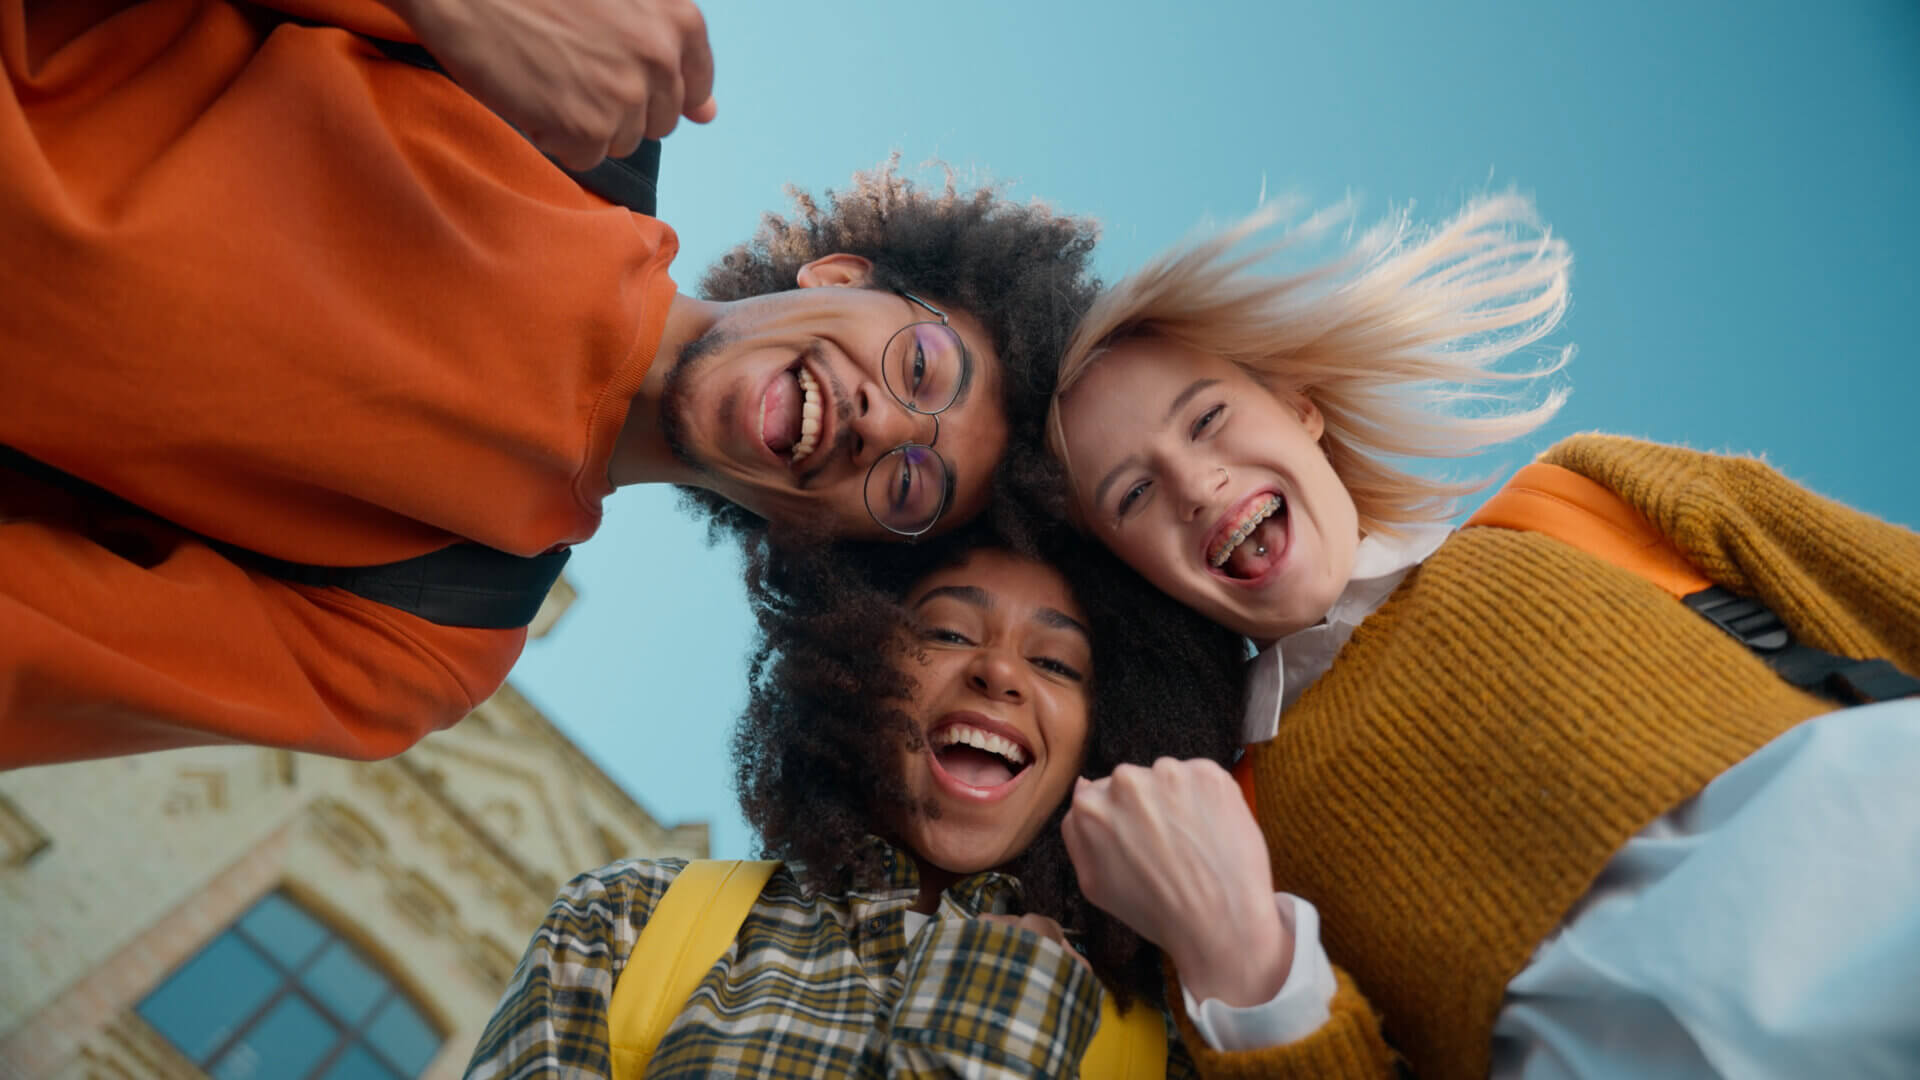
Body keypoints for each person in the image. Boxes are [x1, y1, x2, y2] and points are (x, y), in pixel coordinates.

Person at [0, 0, 1099, 766]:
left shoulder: (421, 642)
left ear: (819, 542)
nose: (883, 422)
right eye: (921, 367)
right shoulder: (573, 72)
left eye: (913, 483)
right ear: (844, 273)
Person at [1045, 197, 1920, 1078]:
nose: (1195, 483)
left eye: (1206, 419)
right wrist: (1236, 958)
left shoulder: (1586, 500)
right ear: (1134, 577)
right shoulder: (1232, 825)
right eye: (1131, 496)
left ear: (1299, 406)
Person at [463, 504, 1287, 1077]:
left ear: (1106, 742)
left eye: (1055, 664)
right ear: (855, 668)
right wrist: (1009, 1015)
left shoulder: (1173, 1050)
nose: (997, 670)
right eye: (949, 632)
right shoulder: (625, 922)